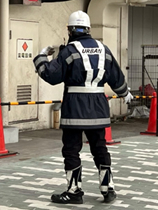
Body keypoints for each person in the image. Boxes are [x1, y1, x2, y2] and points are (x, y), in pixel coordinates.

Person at [33, 11, 133, 204]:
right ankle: (108, 189)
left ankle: (74, 192)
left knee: (71, 150)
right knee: (100, 148)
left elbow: (51, 76)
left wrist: (41, 58)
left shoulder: (69, 51)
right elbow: (116, 77)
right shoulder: (103, 49)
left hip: (75, 108)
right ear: (88, 29)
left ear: (70, 30)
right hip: (98, 108)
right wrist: (125, 93)